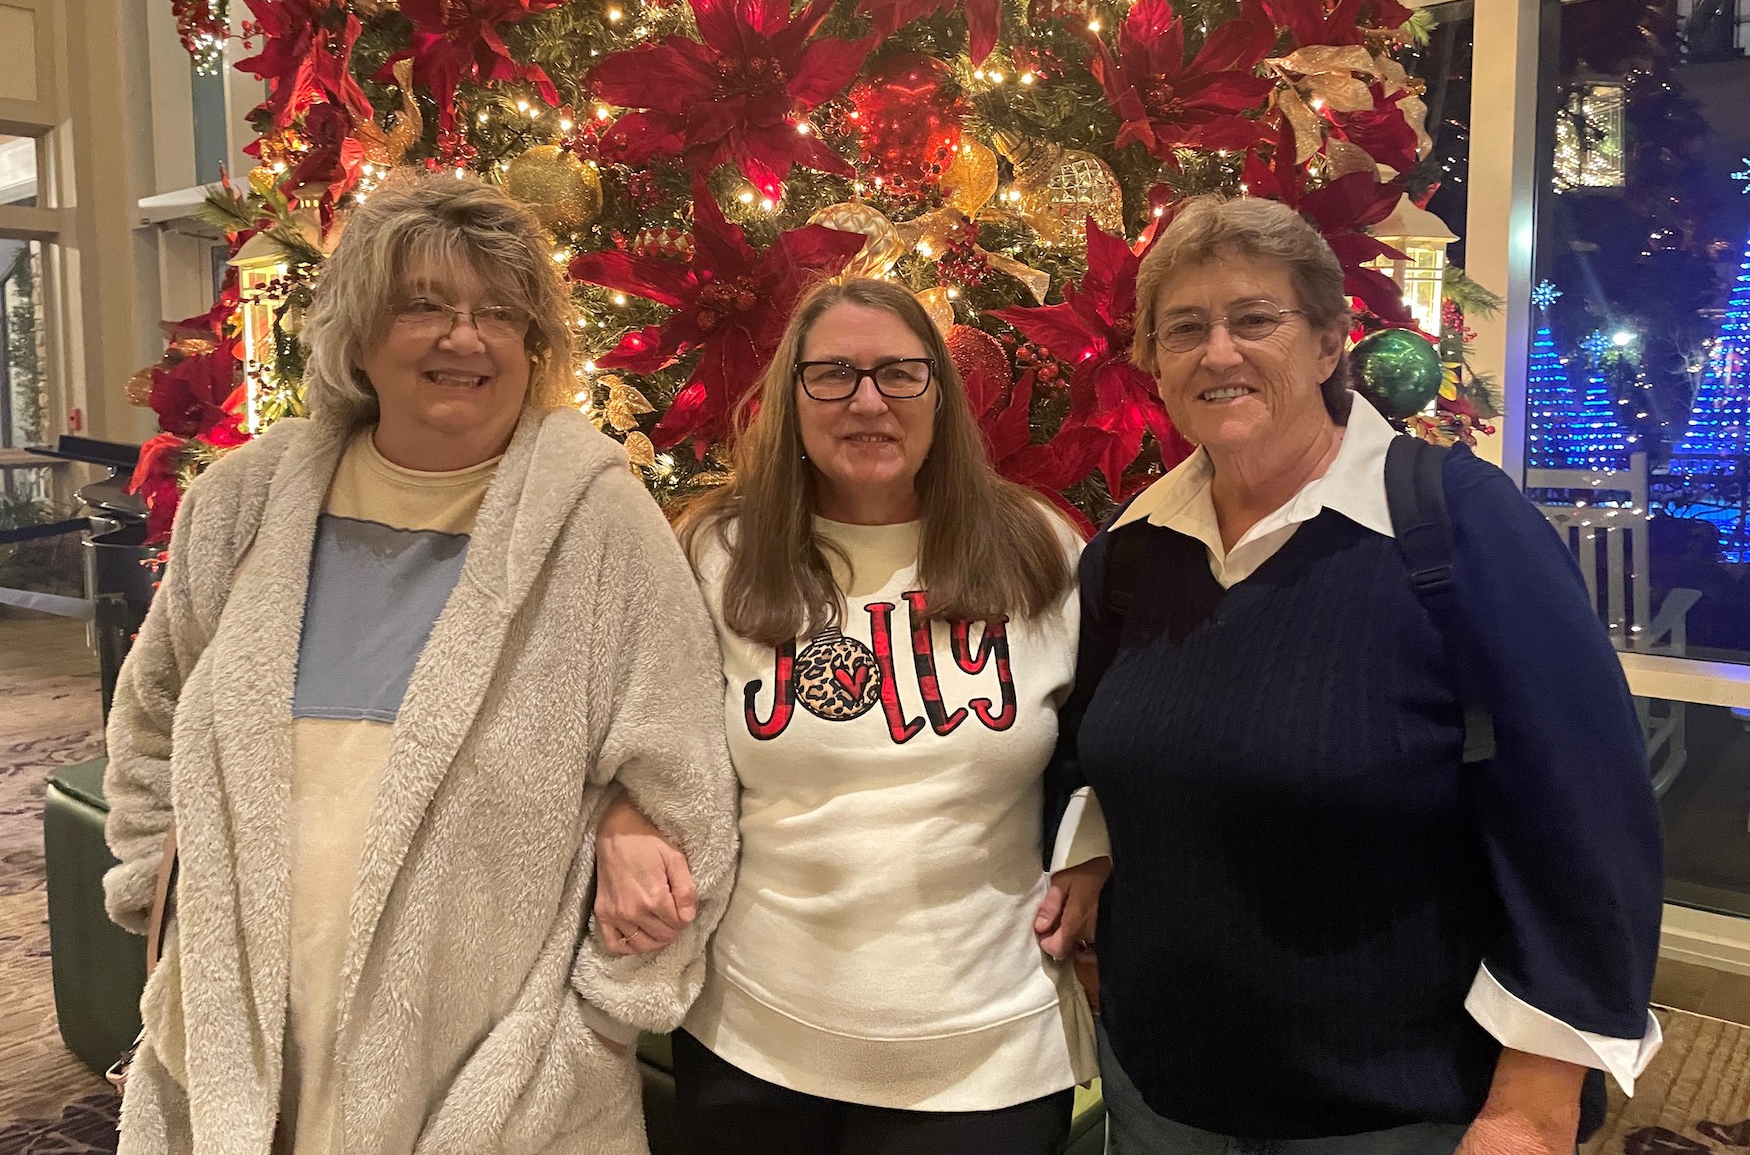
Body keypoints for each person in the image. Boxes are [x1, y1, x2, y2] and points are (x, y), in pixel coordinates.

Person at [101, 172, 739, 1155]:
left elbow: (686, 787)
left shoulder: (601, 524)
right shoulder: (242, 503)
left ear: (533, 346)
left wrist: (598, 1023)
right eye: (425, 307)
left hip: (491, 1094)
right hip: (237, 1058)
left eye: (497, 313)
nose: (464, 337)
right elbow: (153, 713)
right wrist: (160, 894)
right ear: (359, 332)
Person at [1054, 194, 1664, 1154]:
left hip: (1392, 1112)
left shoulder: (1454, 527)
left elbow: (1587, 811)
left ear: (1333, 342)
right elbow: (1101, 742)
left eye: (1256, 319)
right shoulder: (1131, 552)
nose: (1220, 352)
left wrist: (1534, 1103)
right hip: (1161, 1093)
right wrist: (1091, 849)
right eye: (1185, 330)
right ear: (1156, 364)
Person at [643, 278, 1103, 1154]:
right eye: (833, 375)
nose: (867, 401)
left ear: (940, 395)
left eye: (900, 373)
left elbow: (1123, 730)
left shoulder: (1039, 547)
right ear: (792, 397)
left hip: (988, 1052)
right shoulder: (716, 552)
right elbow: (639, 734)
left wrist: (1099, 845)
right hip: (752, 1039)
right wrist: (627, 817)